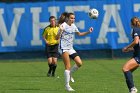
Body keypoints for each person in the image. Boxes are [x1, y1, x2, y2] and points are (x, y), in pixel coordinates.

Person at [56, 12, 93, 91]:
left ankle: (70, 73)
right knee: (67, 67)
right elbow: (56, 38)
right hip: (63, 48)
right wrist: (60, 31)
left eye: (74, 18)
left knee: (79, 63)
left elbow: (79, 34)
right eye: (71, 18)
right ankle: (67, 86)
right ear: (67, 18)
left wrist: (88, 32)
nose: (73, 19)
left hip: (70, 48)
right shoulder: (63, 25)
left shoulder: (73, 26)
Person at [122, 17, 140, 93]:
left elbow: (136, 42)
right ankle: (132, 89)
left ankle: (132, 89)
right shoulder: (138, 29)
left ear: (131, 23)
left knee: (125, 68)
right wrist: (129, 49)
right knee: (127, 70)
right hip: (137, 55)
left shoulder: (135, 29)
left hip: (138, 56)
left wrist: (127, 46)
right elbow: (137, 45)